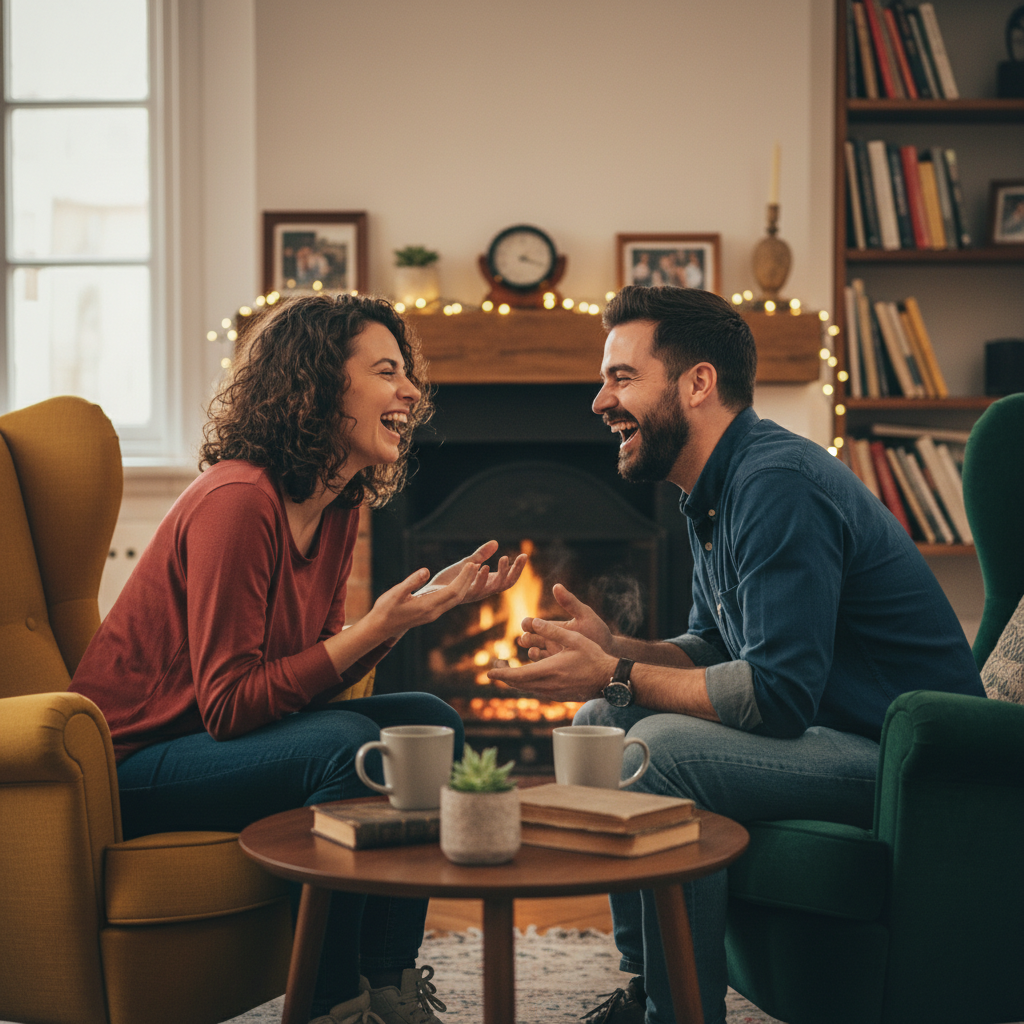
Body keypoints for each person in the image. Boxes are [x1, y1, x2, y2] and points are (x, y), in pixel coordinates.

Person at [488, 284, 984, 1024]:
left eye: (622, 377)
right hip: (835, 736)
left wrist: (619, 675)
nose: (599, 401)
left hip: (910, 764)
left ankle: (681, 1012)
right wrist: (613, 650)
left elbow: (776, 695)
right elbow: (714, 648)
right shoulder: (714, 490)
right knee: (599, 721)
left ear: (697, 384)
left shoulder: (775, 483)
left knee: (656, 750)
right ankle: (645, 983)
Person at [71, 292, 526, 1024]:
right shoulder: (237, 500)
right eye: (386, 371)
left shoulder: (338, 503)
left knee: (431, 724)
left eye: (406, 373)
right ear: (318, 384)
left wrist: (405, 620)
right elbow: (229, 707)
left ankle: (389, 982)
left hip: (215, 745)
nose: (411, 390)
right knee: (349, 747)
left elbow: (304, 688)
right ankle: (330, 999)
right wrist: (373, 625)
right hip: (136, 762)